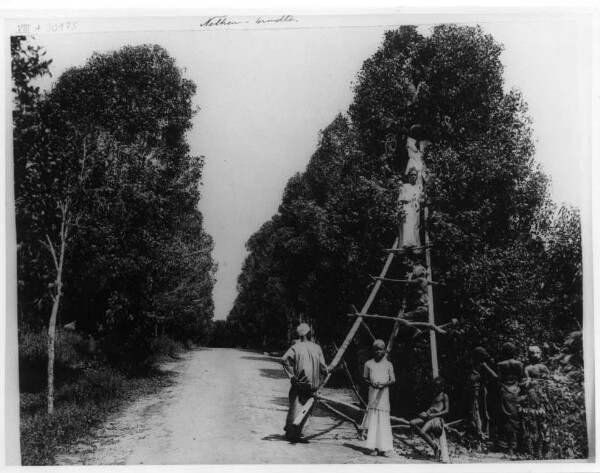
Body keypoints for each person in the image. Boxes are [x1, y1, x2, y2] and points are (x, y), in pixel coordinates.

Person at [281, 323, 328, 443]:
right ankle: (301, 433)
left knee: (295, 403)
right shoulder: (317, 347)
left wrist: (291, 376)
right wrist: (322, 378)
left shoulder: (296, 347)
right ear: (309, 333)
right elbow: (324, 368)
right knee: (307, 407)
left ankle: (291, 431)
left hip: (299, 382)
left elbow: (284, 359)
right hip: (312, 384)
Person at [363, 339, 396, 456]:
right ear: (373, 350)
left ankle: (383, 448)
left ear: (384, 351)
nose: (378, 351)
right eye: (376, 349)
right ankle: (373, 447)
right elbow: (365, 378)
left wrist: (384, 385)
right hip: (373, 393)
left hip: (383, 394)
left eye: (380, 349)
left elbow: (393, 380)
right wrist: (372, 384)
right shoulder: (368, 363)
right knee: (373, 419)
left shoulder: (388, 364)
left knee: (383, 420)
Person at [496, 342, 526, 454]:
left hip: (505, 392)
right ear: (513, 351)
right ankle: (519, 446)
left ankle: (510, 448)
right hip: (516, 392)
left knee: (507, 419)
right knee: (517, 417)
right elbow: (522, 378)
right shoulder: (518, 364)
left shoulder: (500, 364)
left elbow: (498, 381)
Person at [398, 265, 446, 335]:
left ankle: (416, 329)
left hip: (421, 308)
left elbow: (408, 284)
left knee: (401, 318)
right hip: (423, 309)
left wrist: (409, 276)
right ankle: (417, 329)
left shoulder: (420, 280)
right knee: (407, 320)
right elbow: (433, 283)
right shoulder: (425, 281)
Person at [521, 346, 551, 458]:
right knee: (535, 424)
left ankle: (544, 451)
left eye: (537, 353)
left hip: (539, 397)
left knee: (541, 424)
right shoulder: (529, 368)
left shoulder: (537, 368)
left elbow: (548, 383)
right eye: (533, 353)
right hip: (534, 398)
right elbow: (548, 383)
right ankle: (538, 451)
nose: (536, 355)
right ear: (529, 355)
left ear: (541, 354)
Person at [409, 376, 449, 459]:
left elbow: (446, 411)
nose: (435, 388)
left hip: (436, 418)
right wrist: (424, 413)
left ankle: (435, 447)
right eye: (434, 386)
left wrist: (434, 415)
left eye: (437, 386)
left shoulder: (444, 396)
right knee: (412, 423)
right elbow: (431, 407)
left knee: (422, 432)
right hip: (428, 416)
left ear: (442, 386)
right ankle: (431, 441)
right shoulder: (434, 395)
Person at [467, 347, 497, 440]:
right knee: (477, 410)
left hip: (479, 390)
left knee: (480, 410)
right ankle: (479, 432)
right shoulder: (476, 364)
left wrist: (484, 381)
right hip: (475, 390)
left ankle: (481, 433)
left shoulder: (479, 364)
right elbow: (494, 376)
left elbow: (494, 376)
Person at [398, 167, 422, 249]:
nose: (413, 176)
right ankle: (406, 243)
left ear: (417, 176)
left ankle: (412, 243)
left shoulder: (418, 187)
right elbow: (400, 199)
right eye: (412, 175)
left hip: (415, 208)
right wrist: (400, 209)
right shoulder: (404, 186)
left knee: (414, 225)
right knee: (407, 224)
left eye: (415, 175)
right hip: (407, 206)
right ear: (409, 176)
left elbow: (420, 198)